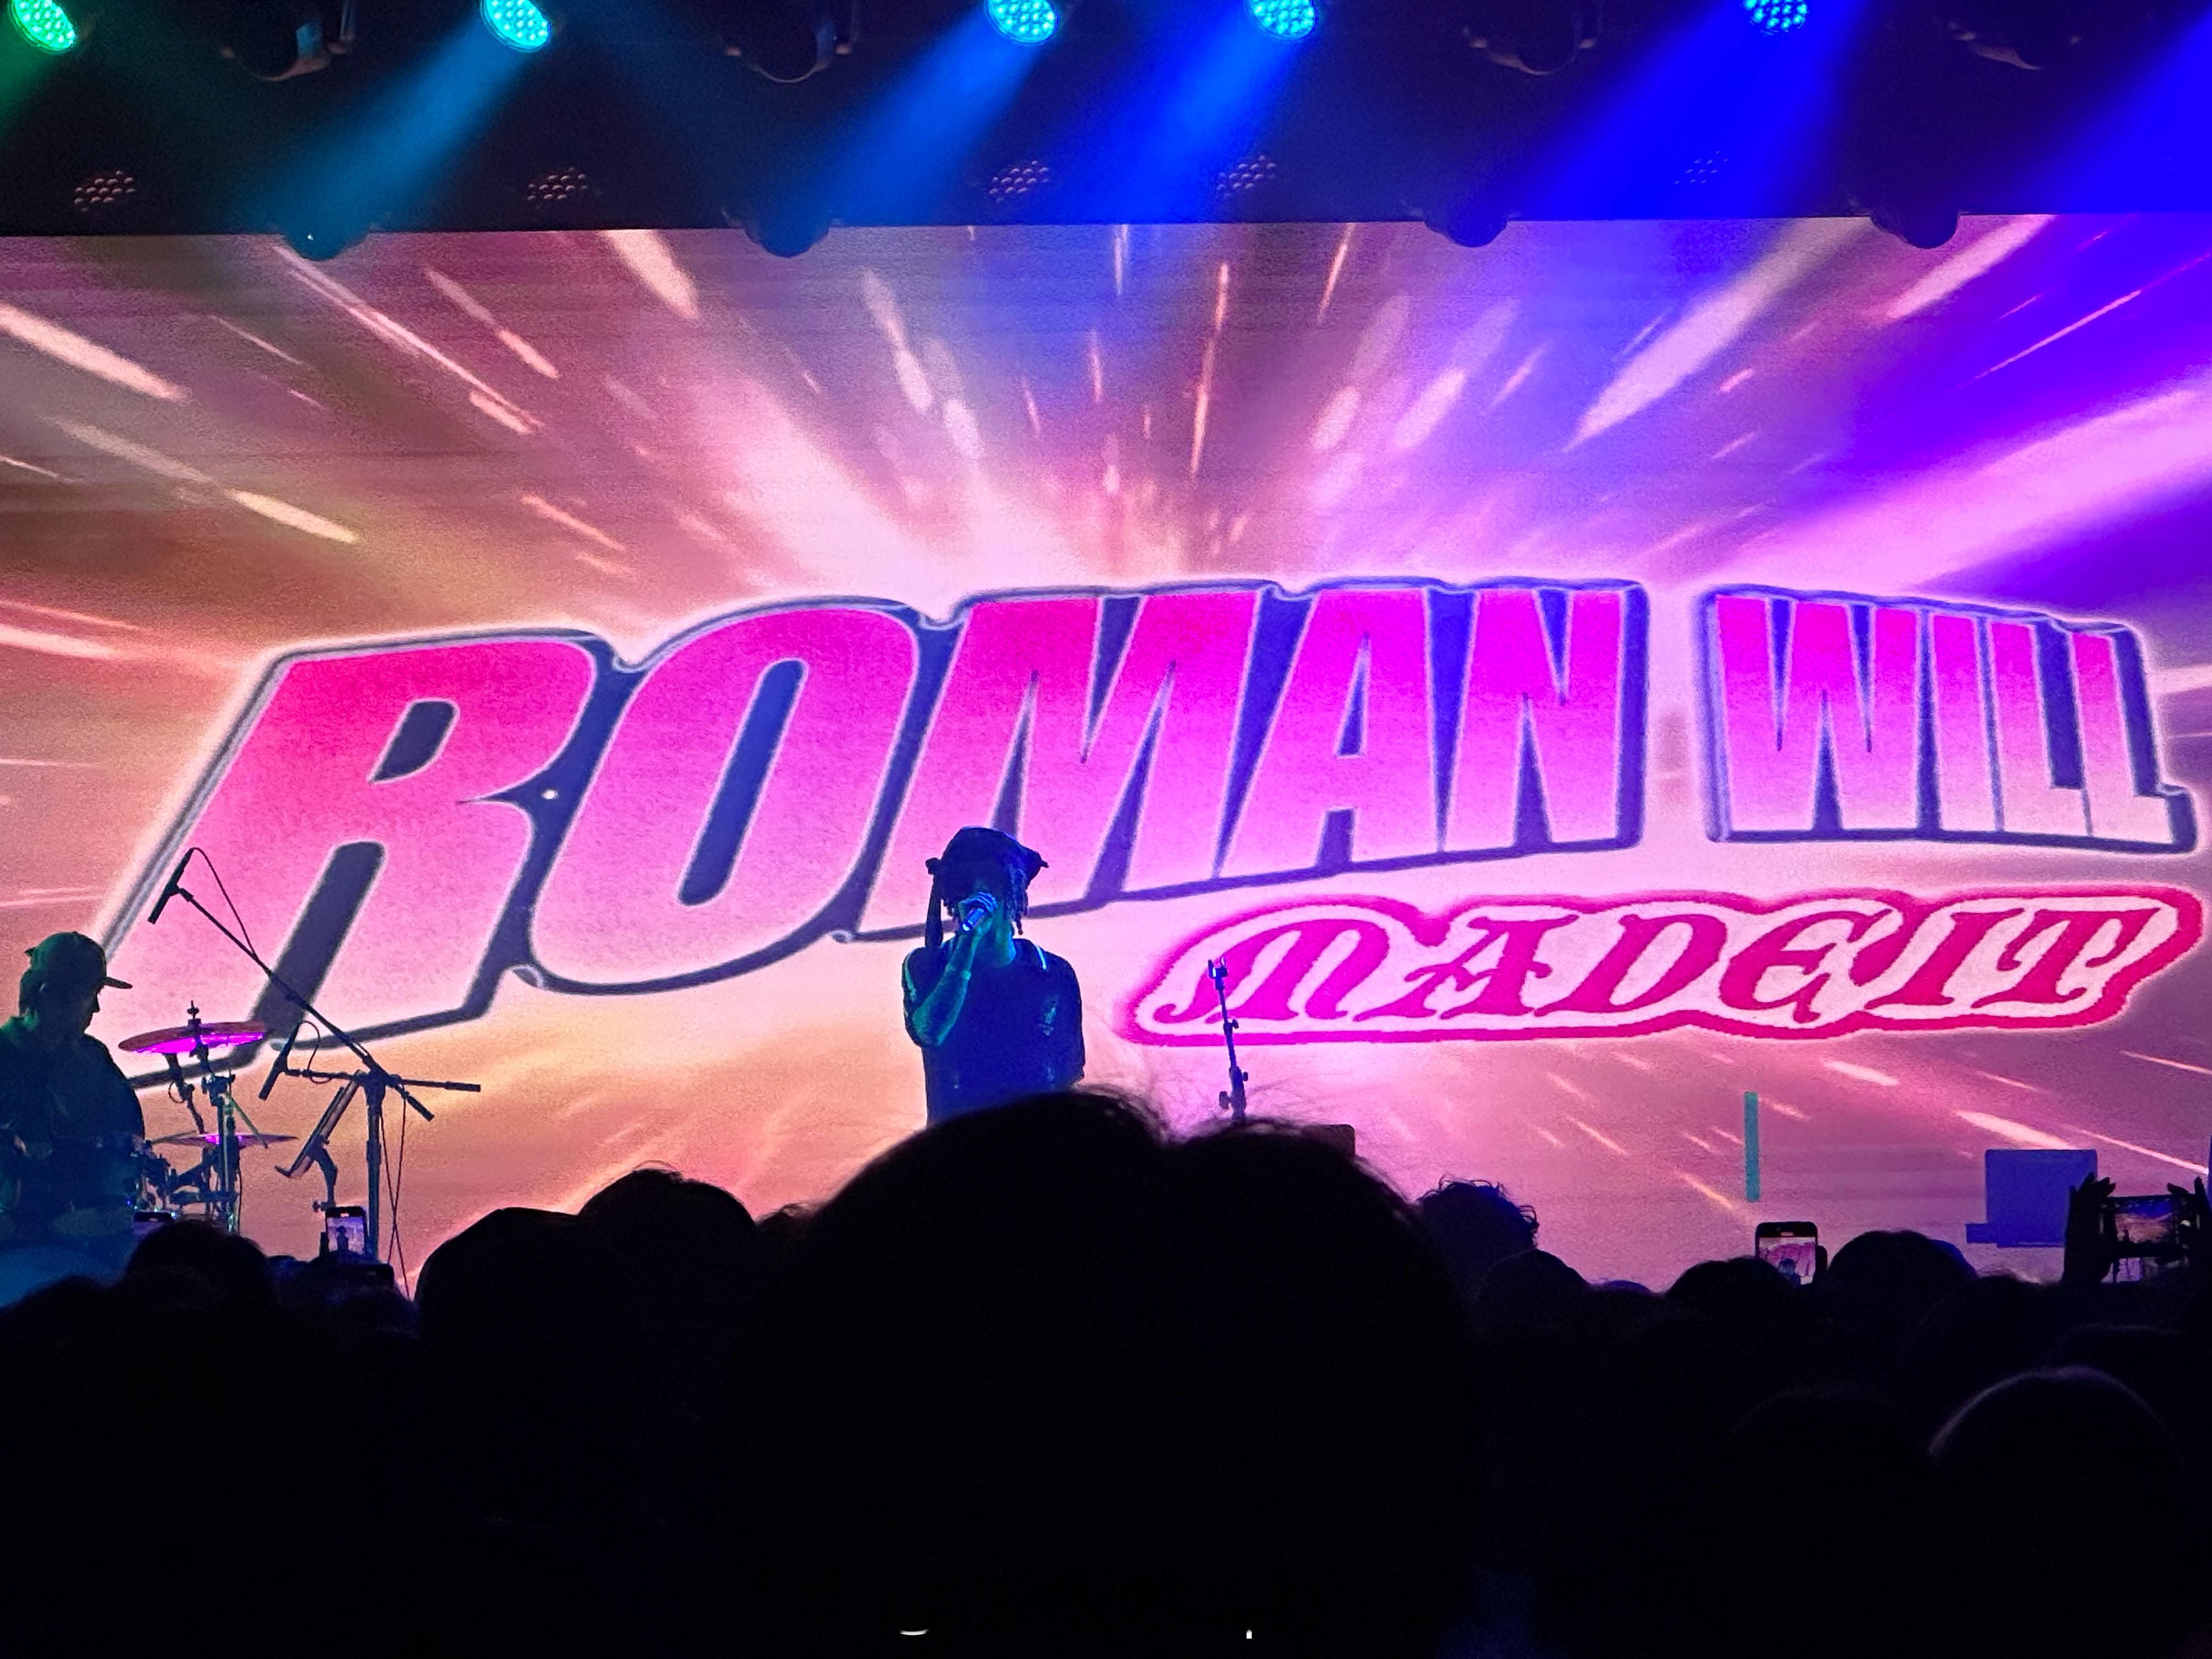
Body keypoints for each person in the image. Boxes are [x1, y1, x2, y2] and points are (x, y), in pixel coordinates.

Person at [901, 827, 1083, 1123]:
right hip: (960, 1141)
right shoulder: (925, 965)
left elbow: (1068, 1072)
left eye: (992, 886)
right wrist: (967, 943)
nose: (979, 898)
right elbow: (929, 1032)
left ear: (1012, 894)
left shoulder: (1053, 973)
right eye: (965, 887)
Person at [0, 933, 146, 1290]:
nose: (95, 1009)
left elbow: (126, 1135)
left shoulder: (93, 1059)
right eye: (90, 994)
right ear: (50, 994)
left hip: (80, 1232)